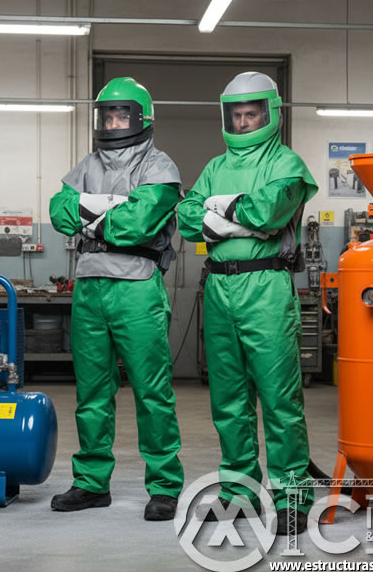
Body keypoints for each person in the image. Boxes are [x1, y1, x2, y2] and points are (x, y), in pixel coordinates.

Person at [177, 71, 318, 534]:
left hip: (266, 289)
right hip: (219, 288)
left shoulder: (287, 163)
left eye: (250, 113)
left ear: (269, 113)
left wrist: (221, 212)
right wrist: (241, 215)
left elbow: (269, 210)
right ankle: (239, 490)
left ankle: (292, 495)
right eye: (235, 115)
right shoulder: (216, 166)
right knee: (229, 400)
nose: (242, 121)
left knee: (279, 398)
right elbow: (186, 218)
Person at [49, 77, 184, 522]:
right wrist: (110, 208)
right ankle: (91, 483)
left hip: (137, 285)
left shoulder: (159, 166)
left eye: (121, 114)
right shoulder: (87, 163)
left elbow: (139, 224)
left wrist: (91, 214)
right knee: (91, 392)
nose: (113, 122)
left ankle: (164, 485)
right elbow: (58, 211)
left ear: (140, 117)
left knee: (152, 393)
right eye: (107, 114)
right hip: (89, 285)